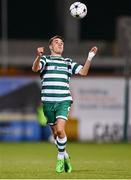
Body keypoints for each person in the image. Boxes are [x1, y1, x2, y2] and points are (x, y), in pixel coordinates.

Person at [32, 35, 98, 173]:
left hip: (63, 100)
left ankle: (60, 158)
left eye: (62, 43)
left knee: (61, 130)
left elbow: (83, 72)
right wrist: (38, 56)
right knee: (56, 135)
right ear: (50, 47)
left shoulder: (67, 62)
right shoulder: (45, 59)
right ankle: (66, 155)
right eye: (56, 42)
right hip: (48, 102)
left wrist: (90, 57)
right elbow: (35, 68)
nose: (60, 44)